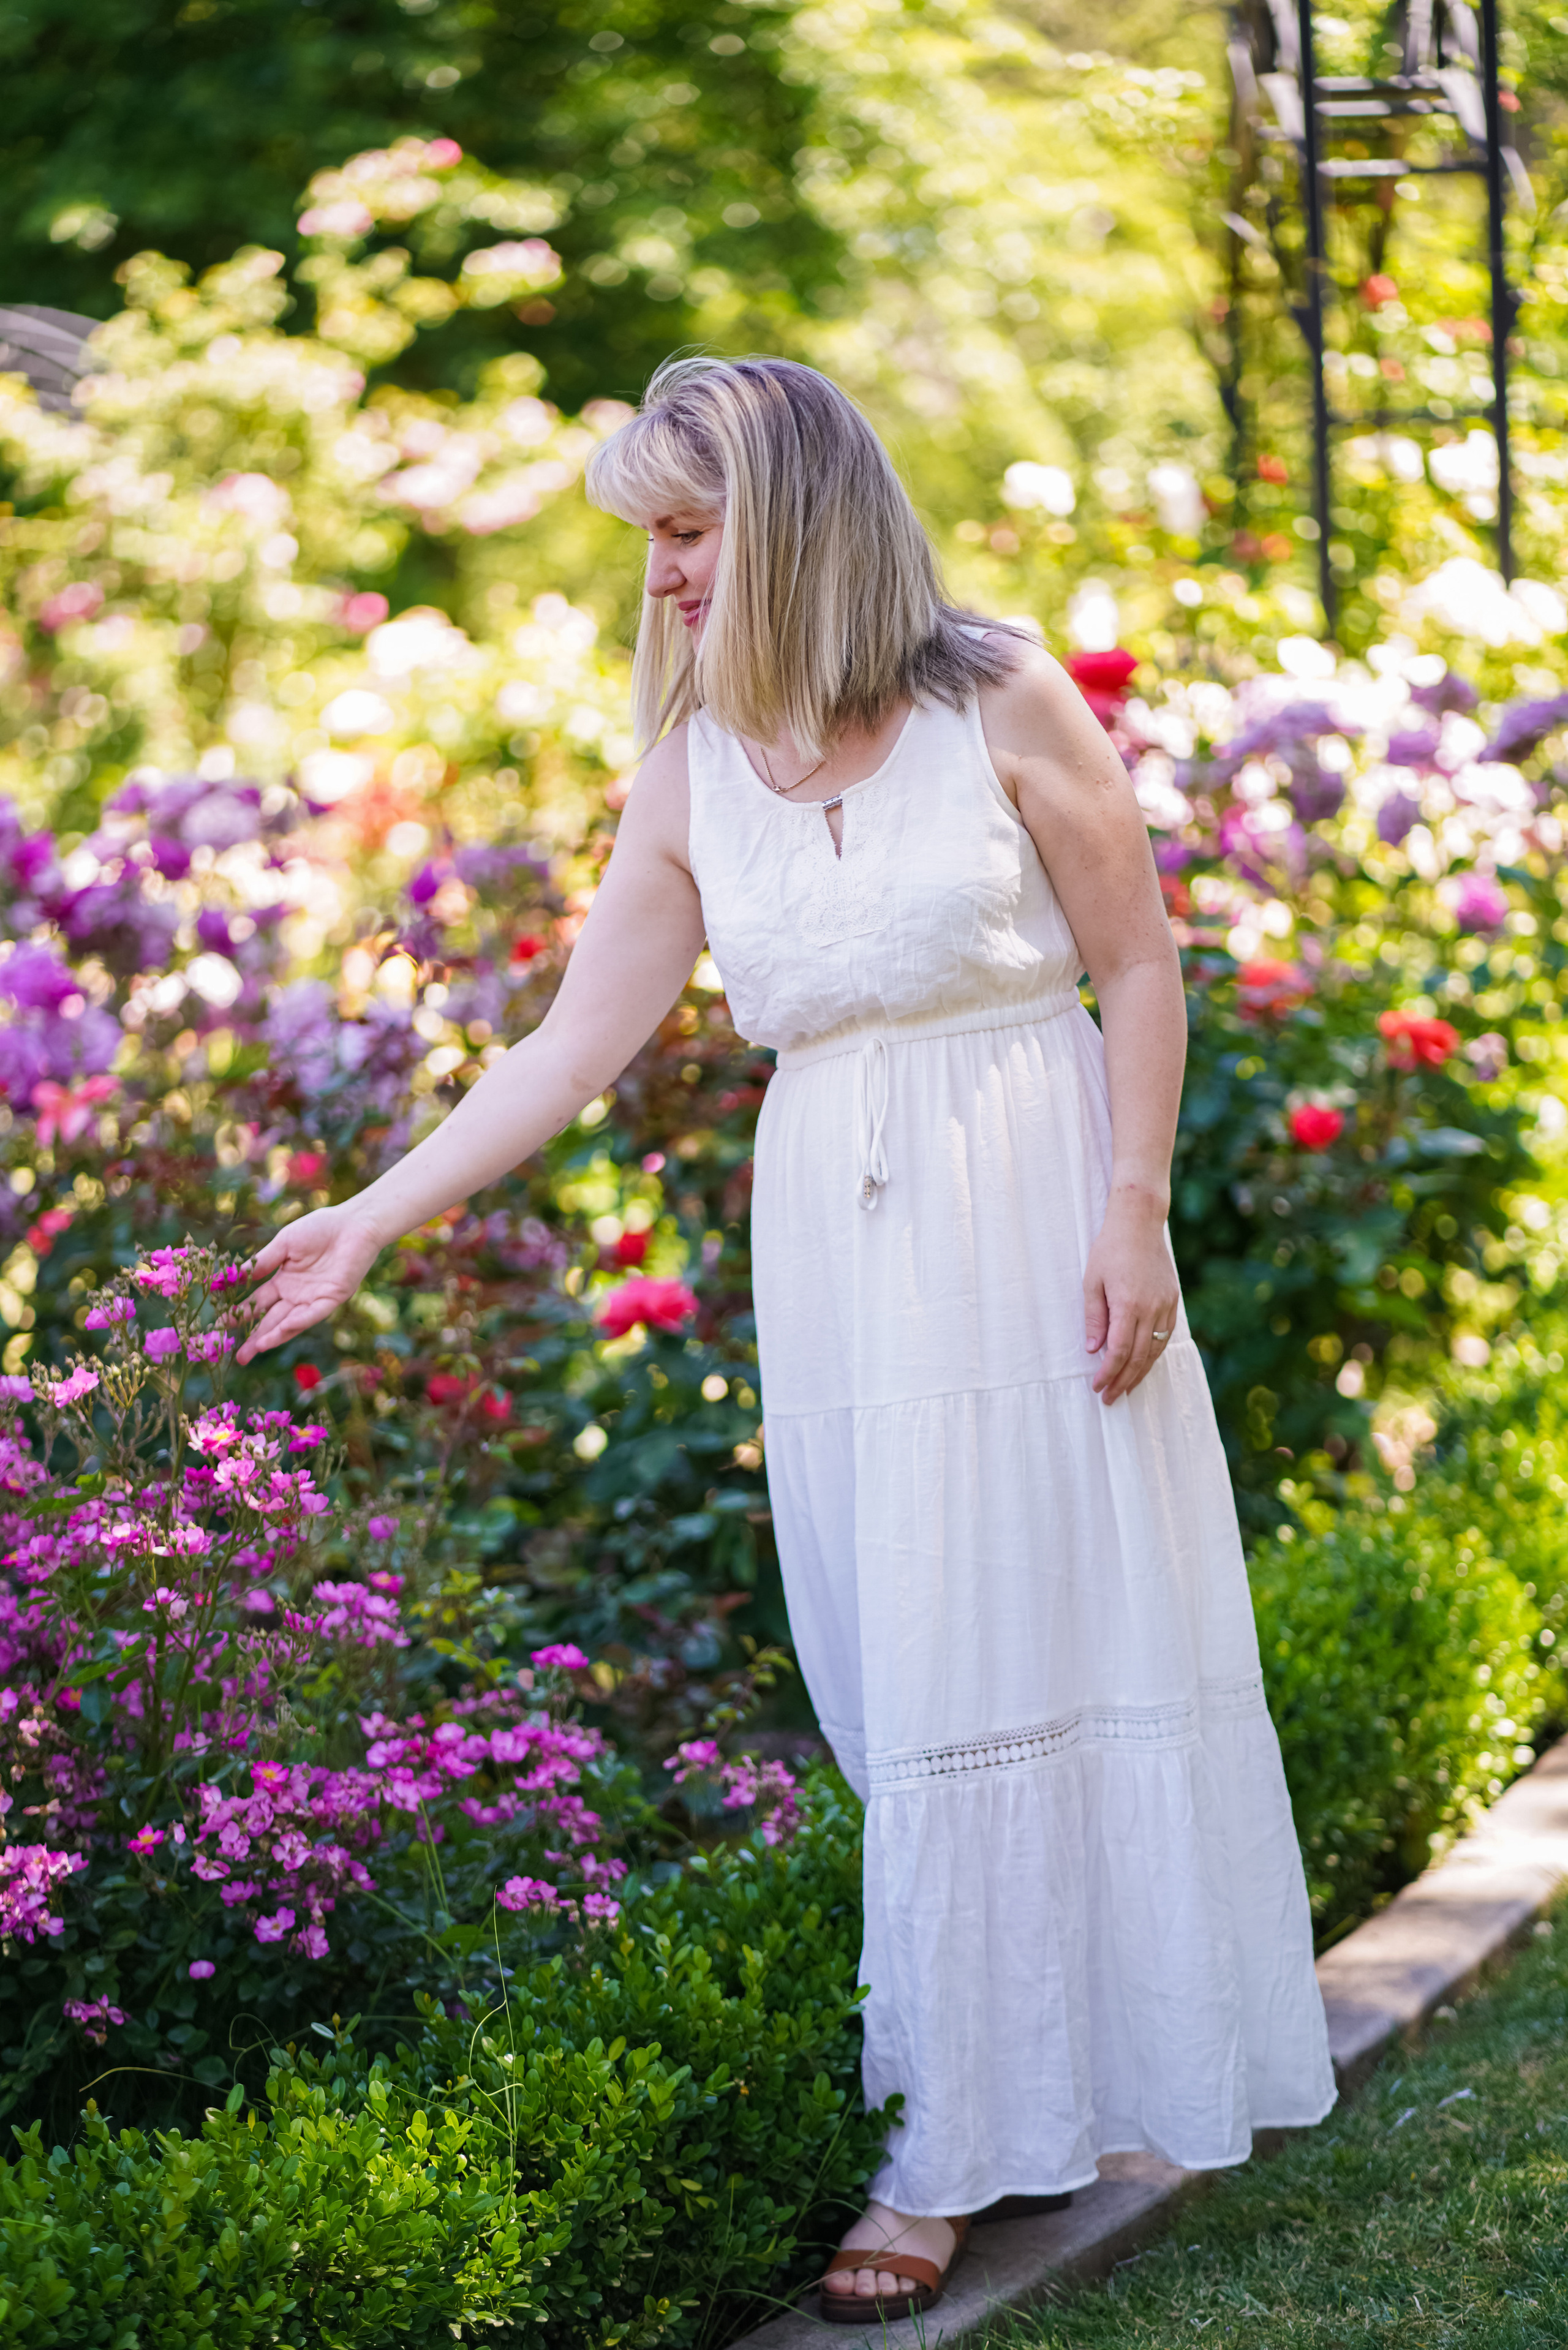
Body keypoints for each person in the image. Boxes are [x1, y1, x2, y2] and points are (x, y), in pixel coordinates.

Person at [238, 354, 1336, 2321]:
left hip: (1039, 1207)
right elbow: (570, 1046)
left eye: (690, 528)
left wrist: (1135, 1207)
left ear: (800, 523)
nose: (661, 572)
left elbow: (1137, 957)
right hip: (847, 1254)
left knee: (1068, 1632)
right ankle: (987, 2106)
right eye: (650, 536)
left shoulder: (1000, 698)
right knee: (913, 1673)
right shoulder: (689, 778)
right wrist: (373, 1216)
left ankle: (956, 2158)